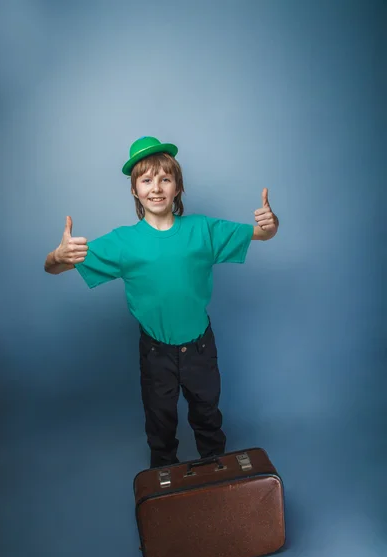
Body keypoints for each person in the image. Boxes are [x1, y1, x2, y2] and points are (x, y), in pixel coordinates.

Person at [44, 136, 279, 468]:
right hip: (156, 353)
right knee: (160, 426)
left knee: (208, 419)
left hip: (200, 348)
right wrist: (57, 255)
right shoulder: (124, 242)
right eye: (147, 179)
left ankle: (218, 485)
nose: (156, 187)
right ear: (134, 190)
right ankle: (166, 494)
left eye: (165, 179)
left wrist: (271, 226)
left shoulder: (203, 230)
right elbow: (53, 268)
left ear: (177, 187)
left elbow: (261, 234)